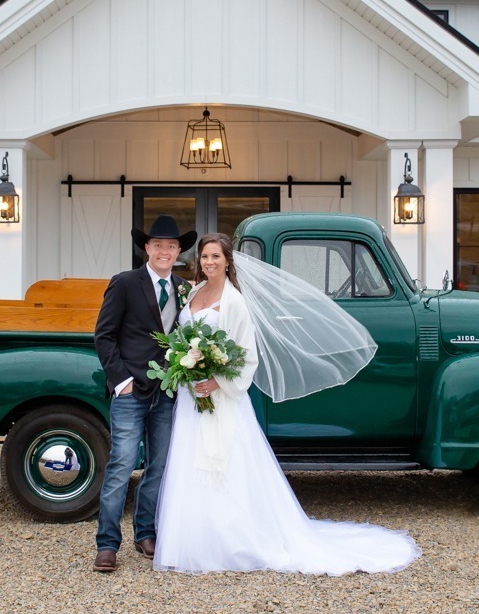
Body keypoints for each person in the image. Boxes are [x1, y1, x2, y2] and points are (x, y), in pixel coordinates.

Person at [153, 233, 420, 574]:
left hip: (220, 397)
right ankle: (189, 541)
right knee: (191, 463)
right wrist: (185, 365)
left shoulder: (234, 301)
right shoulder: (194, 293)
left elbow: (246, 356)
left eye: (216, 256)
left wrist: (217, 380)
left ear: (227, 261)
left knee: (222, 464)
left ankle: (229, 544)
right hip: (193, 398)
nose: (209, 262)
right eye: (205, 256)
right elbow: (182, 339)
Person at [91, 214, 195, 573]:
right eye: (158, 245)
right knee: (121, 464)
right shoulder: (124, 283)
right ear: (146, 248)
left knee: (159, 466)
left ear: (178, 250)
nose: (164, 251)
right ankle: (107, 544)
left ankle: (146, 533)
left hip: (167, 393)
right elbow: (103, 336)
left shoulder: (184, 288)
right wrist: (122, 381)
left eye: (171, 245)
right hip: (130, 392)